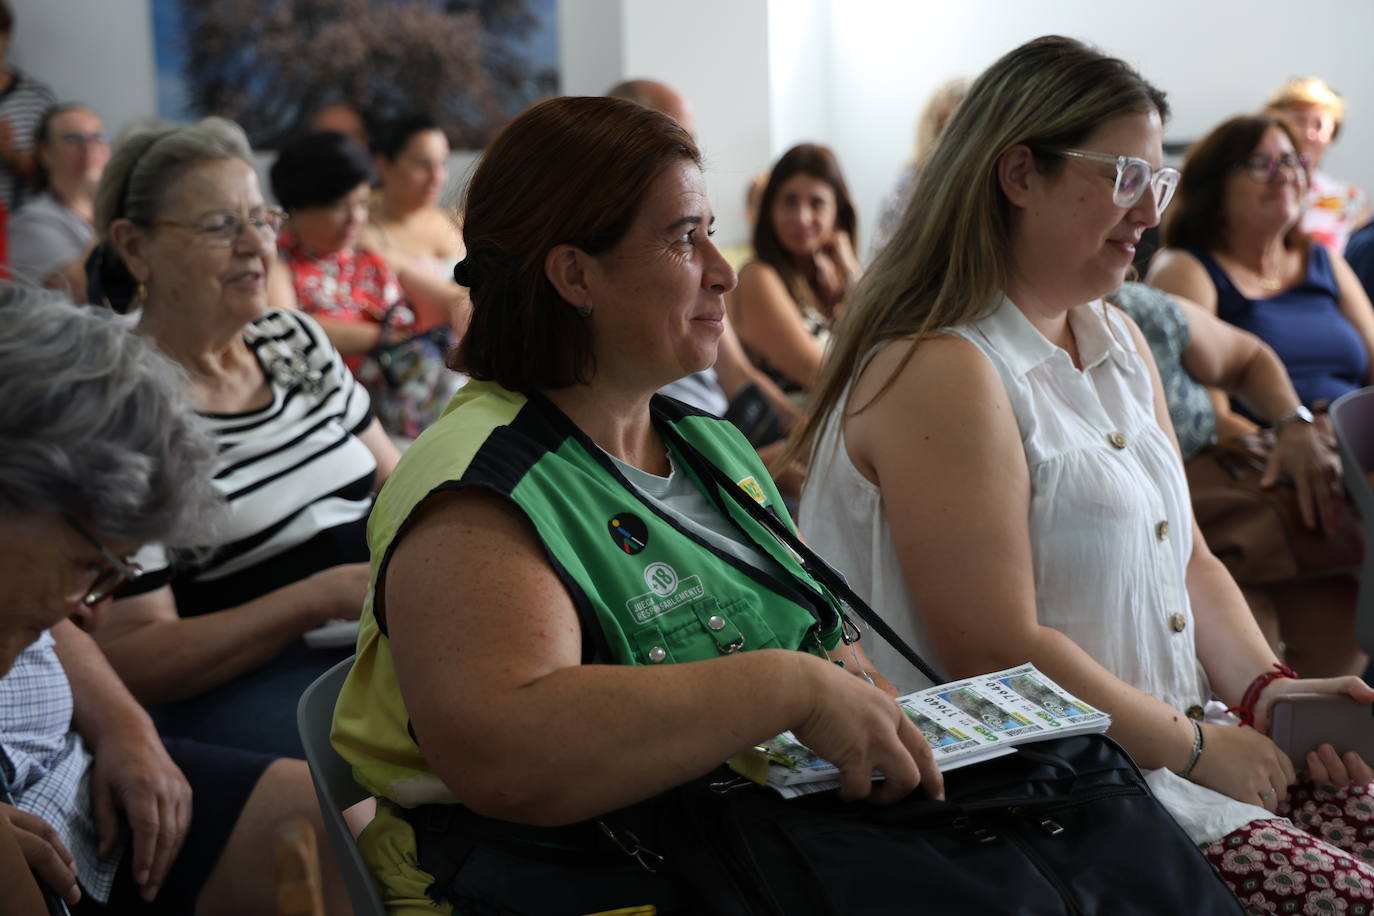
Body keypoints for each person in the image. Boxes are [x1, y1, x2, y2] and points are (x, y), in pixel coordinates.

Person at [795, 35, 1374, 912]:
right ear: (1018, 173)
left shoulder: (1115, 336)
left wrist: (1267, 691)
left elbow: (1187, 559)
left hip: (1153, 759)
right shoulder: (943, 367)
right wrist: (1193, 748)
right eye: (1123, 178)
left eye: (1159, 183)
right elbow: (994, 649)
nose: (1149, 213)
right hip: (1052, 803)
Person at [330, 95, 941, 914]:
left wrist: (847, 687)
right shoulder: (475, 488)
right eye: (685, 238)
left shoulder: (707, 443)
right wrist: (788, 689)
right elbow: (509, 754)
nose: (723, 269)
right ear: (575, 273)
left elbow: (824, 644)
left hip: (759, 854)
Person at [0, 286, 349, 914]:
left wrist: (127, 727)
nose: (90, 611)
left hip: (81, 780)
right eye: (90, 566)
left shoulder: (31, 593)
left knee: (361, 836)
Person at [83, 117, 400, 758]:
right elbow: (133, 652)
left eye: (262, 219)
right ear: (135, 247)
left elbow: (399, 483)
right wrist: (313, 599)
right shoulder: (117, 405)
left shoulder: (291, 338)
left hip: (386, 634)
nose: (257, 247)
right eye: (221, 226)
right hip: (259, 682)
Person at [1110, 282, 1359, 675]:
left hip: (1222, 484)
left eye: (1156, 212)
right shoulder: (1178, 270)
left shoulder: (1137, 309)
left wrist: (1294, 423)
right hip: (1165, 515)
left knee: (1341, 588)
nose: (1144, 220)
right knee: (1247, 607)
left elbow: (1248, 357)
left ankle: (1305, 725)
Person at [1148, 115, 1374, 415]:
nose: (1284, 176)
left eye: (1290, 161)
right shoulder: (1184, 268)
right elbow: (1207, 417)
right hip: (1264, 452)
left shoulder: (1323, 259)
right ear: (1213, 187)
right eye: (1259, 164)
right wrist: (1295, 445)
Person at [730, 143, 860, 394]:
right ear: (771, 209)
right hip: (795, 429)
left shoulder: (828, 283)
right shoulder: (759, 276)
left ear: (838, 215)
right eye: (790, 201)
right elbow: (823, 376)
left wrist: (850, 273)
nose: (802, 217)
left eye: (817, 203)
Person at [363, 114, 470, 329]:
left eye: (442, 163)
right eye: (423, 164)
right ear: (384, 166)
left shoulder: (458, 220)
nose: (437, 176)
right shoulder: (365, 234)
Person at [7, 103, 108, 299]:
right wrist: (107, 210)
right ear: (46, 152)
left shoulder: (132, 209)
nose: (89, 148)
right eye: (73, 138)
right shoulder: (29, 223)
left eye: (97, 137)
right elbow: (84, 291)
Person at [1264, 77, 1370, 254]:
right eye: (1299, 120)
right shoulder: (1253, 187)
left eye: (1319, 125)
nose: (1309, 133)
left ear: (1332, 133)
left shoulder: (1352, 199)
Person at [870, 76, 971, 260]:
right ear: (934, 132)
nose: (961, 143)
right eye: (952, 131)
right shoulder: (908, 189)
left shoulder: (994, 185)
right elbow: (882, 261)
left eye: (969, 130)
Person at [0, 0, 55, 212]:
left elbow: (57, 175)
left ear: (7, 36)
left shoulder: (35, 97)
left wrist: (11, 155)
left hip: (21, 230)